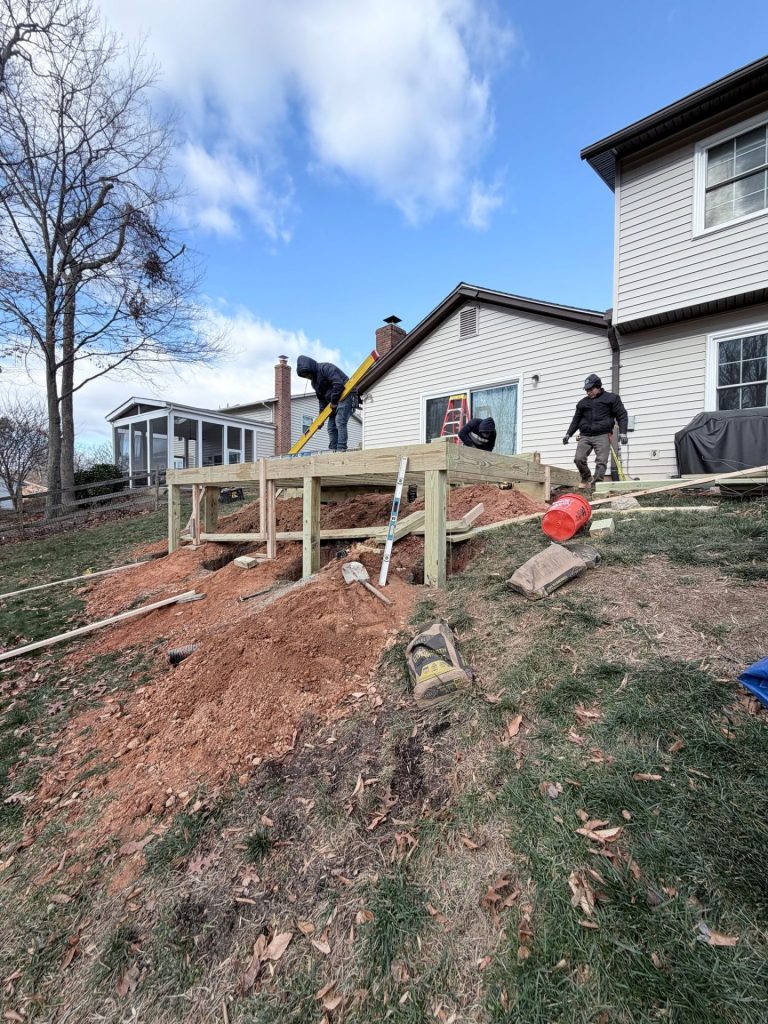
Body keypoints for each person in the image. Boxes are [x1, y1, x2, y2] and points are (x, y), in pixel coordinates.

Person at [563, 374, 628, 486]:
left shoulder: (612, 398)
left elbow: (622, 415)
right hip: (585, 435)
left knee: (601, 462)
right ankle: (587, 478)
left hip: (603, 434)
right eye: (587, 390)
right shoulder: (582, 403)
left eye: (591, 389)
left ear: (598, 386)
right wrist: (568, 434)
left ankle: (596, 485)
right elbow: (576, 419)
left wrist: (623, 433)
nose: (588, 392)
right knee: (578, 459)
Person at [296, 356, 356, 452]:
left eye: (308, 373)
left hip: (346, 394)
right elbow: (321, 400)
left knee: (340, 421)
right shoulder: (314, 383)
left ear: (311, 368)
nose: (307, 376)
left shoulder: (325, 368)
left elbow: (338, 384)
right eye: (305, 376)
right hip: (333, 401)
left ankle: (341, 448)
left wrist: (333, 402)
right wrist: (321, 418)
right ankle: (333, 449)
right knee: (331, 428)